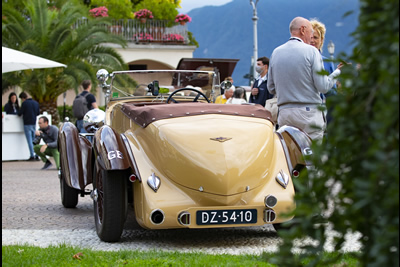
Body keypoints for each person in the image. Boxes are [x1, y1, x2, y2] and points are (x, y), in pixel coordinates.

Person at [267, 17, 343, 140]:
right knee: (312, 155)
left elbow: (270, 88)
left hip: (285, 113)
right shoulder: (311, 51)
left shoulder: (276, 52)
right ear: (303, 30)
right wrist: (337, 72)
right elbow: (323, 87)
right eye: (311, 32)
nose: (311, 37)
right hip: (308, 113)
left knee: (289, 155)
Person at [310, 18, 337, 125]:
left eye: (315, 37)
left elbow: (332, 92)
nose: (312, 40)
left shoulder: (326, 62)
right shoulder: (299, 59)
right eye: (310, 37)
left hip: (319, 109)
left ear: (321, 40)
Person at [18, 92, 40, 161]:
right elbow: (38, 113)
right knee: (34, 140)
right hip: (34, 123)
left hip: (27, 123)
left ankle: (32, 155)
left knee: (29, 140)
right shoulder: (35, 103)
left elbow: (20, 113)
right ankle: (37, 155)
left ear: (22, 98)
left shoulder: (24, 103)